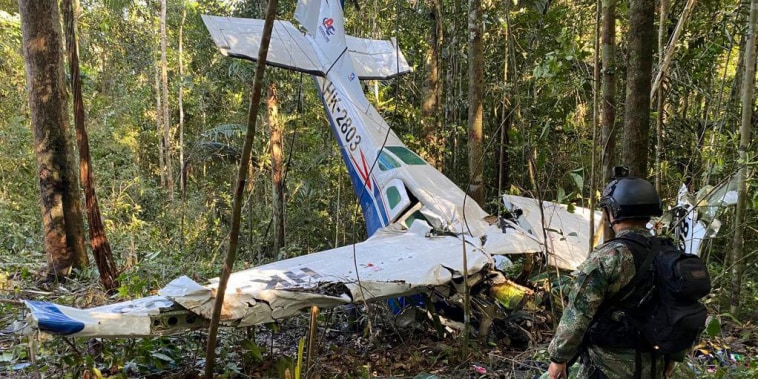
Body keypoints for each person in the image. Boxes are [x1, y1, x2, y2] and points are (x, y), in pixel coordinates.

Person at [547, 175, 677, 379]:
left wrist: (558, 357)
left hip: (607, 365)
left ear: (614, 211)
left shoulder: (610, 256)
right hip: (655, 363)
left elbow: (578, 313)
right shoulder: (669, 253)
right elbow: (682, 307)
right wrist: (675, 356)